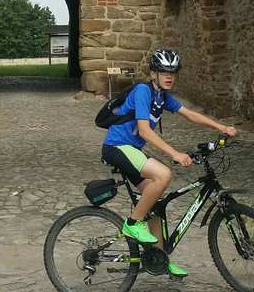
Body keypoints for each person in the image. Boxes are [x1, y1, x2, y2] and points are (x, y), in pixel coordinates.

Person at [101, 48, 237, 277]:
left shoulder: (162, 96)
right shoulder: (144, 91)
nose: (169, 76)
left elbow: (189, 114)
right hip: (117, 148)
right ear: (153, 73)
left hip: (131, 150)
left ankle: (159, 258)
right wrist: (174, 153)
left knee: (155, 202)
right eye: (163, 71)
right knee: (163, 175)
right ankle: (133, 224)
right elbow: (144, 130)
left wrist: (221, 127)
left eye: (173, 72)